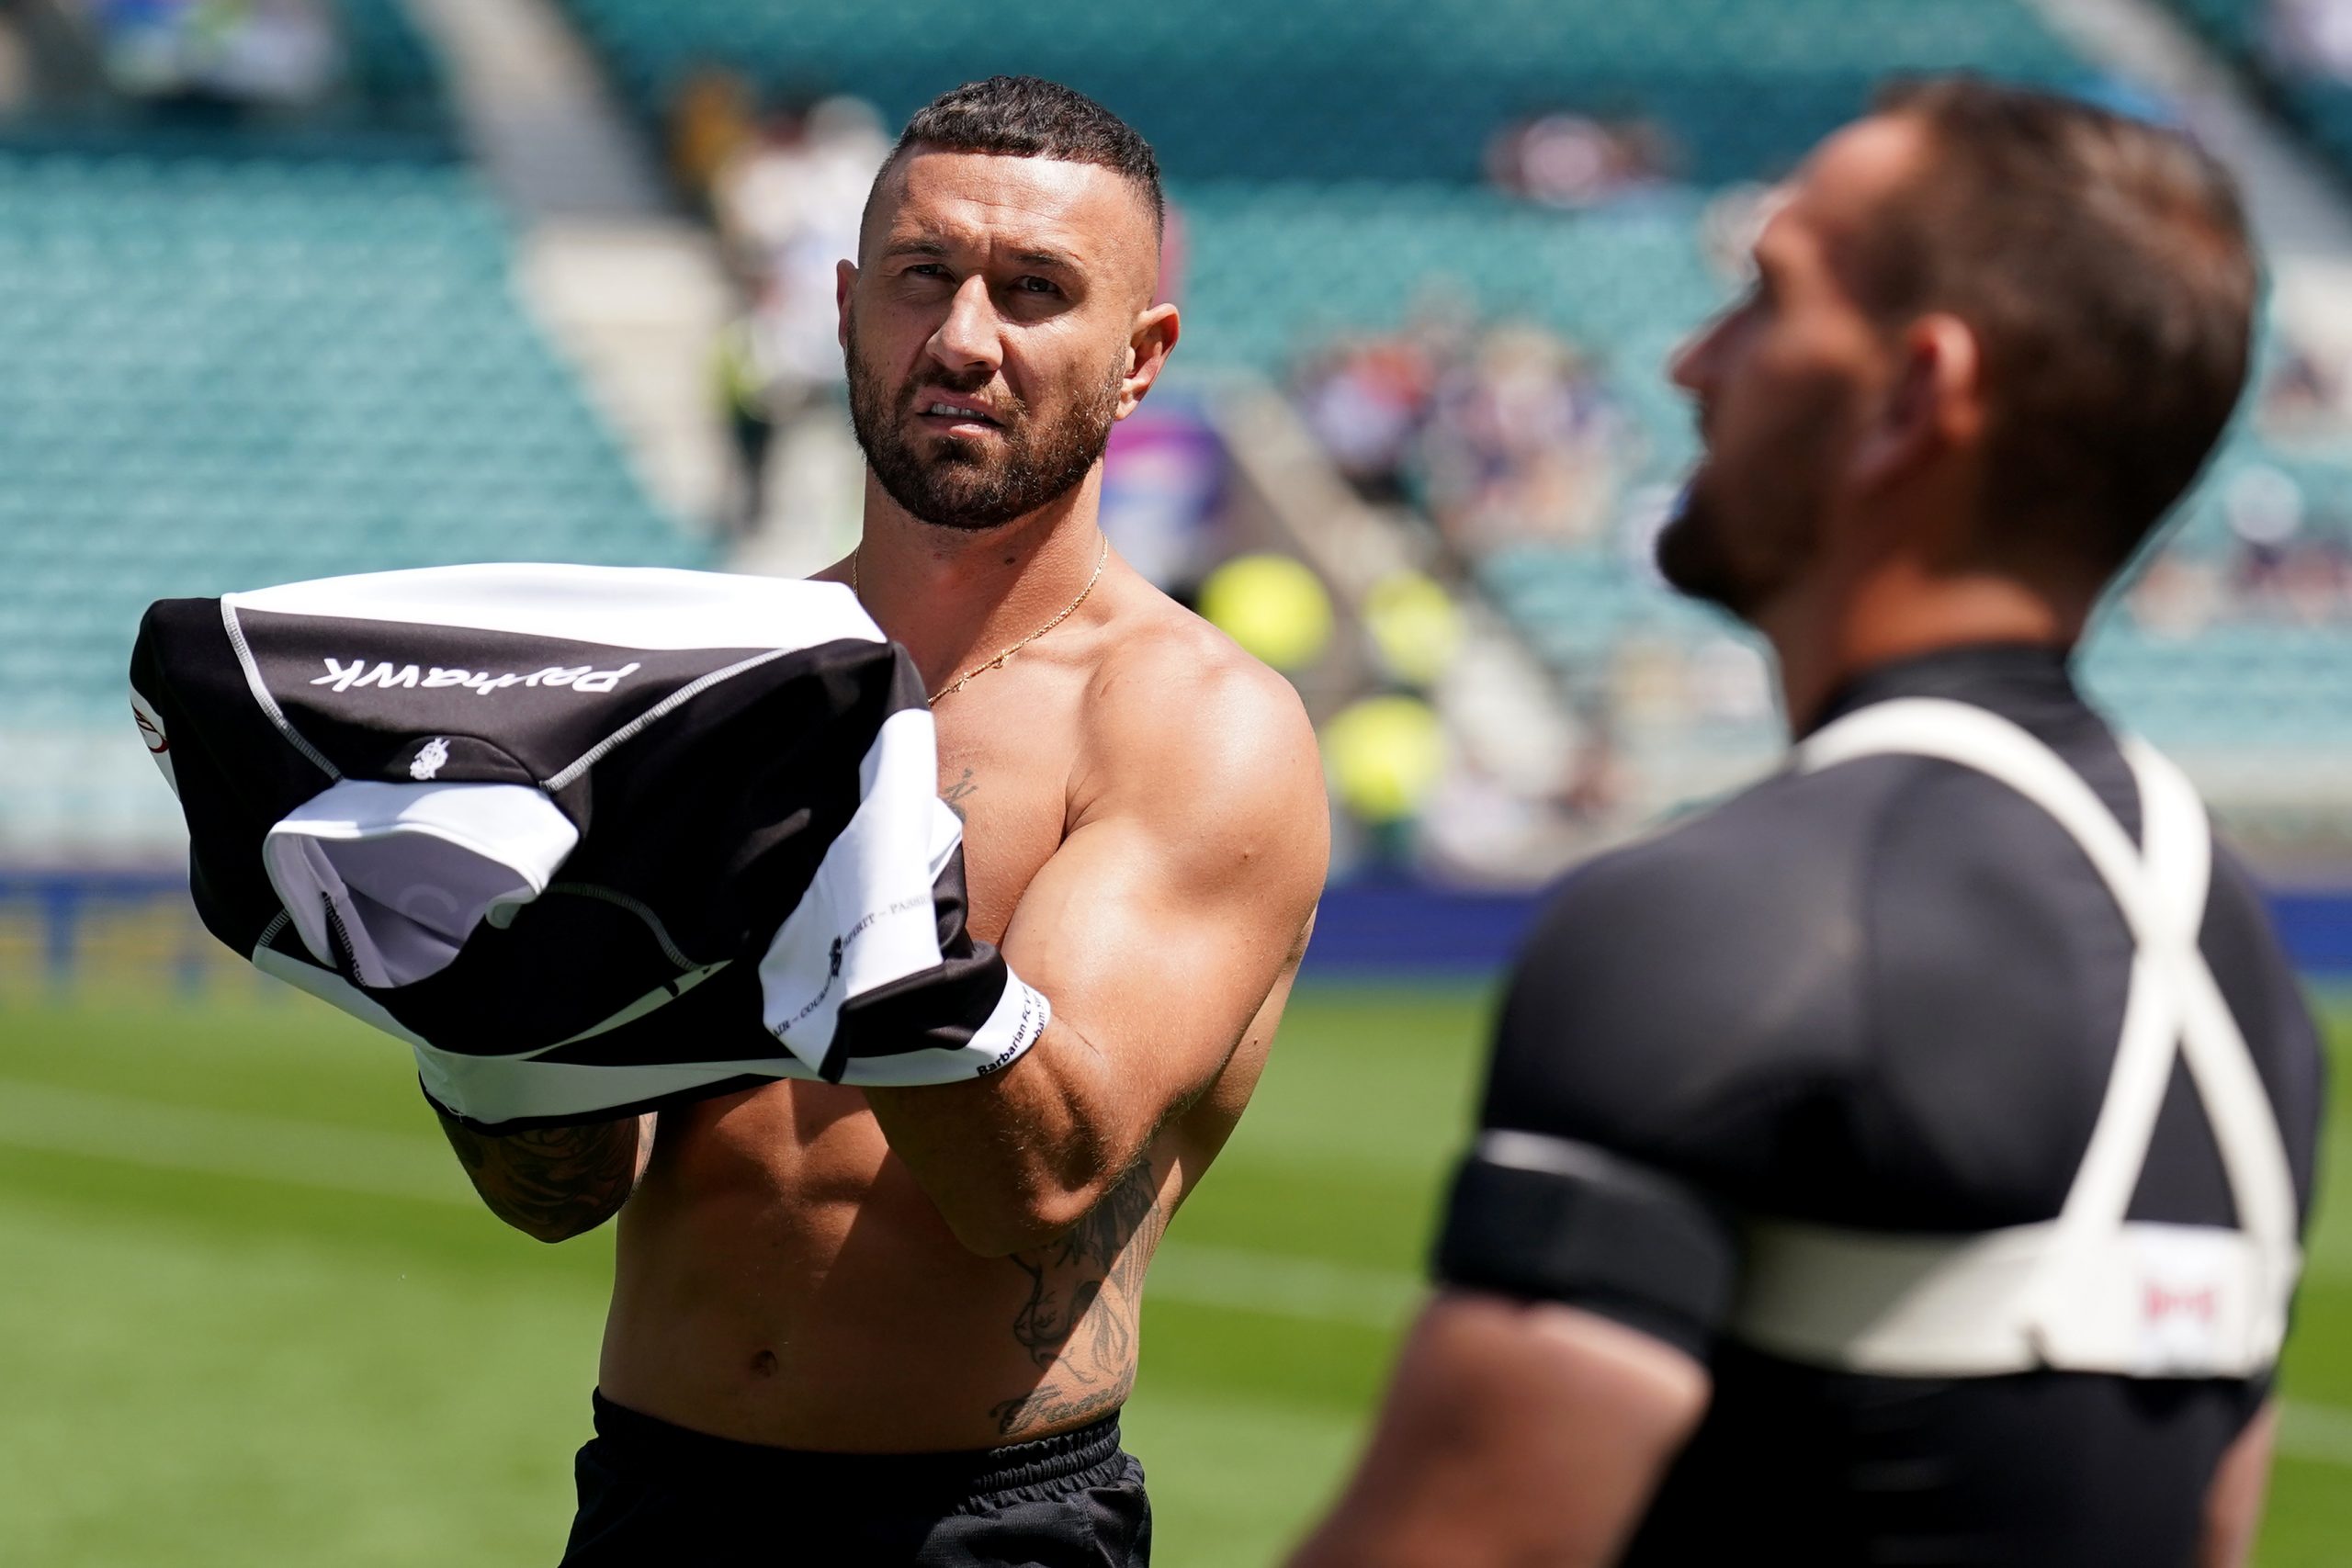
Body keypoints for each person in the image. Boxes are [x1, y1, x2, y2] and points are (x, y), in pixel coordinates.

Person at [1294, 78, 2324, 1568]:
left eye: (1767, 300)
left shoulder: (1721, 919)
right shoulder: (2233, 959)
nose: (1693, 359)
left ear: (1916, 391)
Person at [435, 76, 1328, 1566]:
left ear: (1138, 355)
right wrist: (472, 1007)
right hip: (652, 1501)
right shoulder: (704, 678)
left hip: (979, 1533)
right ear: (848, 307)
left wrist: (841, 870)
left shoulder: (1193, 725)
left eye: (1037, 292)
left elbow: (1033, 1186)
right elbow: (561, 1199)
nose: (965, 339)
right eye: (924, 279)